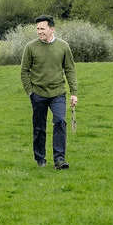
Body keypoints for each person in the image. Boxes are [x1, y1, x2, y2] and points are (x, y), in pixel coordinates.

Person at [20, 15, 78, 169]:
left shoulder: (63, 46)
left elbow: (70, 70)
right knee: (39, 128)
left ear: (52, 29)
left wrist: (74, 92)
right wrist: (30, 92)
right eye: (38, 29)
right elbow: (24, 71)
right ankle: (40, 159)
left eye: (42, 29)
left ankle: (59, 160)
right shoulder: (30, 47)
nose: (39, 32)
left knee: (60, 122)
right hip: (38, 94)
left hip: (58, 93)